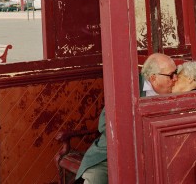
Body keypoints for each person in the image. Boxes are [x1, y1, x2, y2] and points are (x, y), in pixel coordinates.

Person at [76, 52, 178, 184]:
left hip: (156, 155)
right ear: (153, 78)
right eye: (171, 75)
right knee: (96, 178)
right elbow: (105, 124)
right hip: (116, 153)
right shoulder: (127, 86)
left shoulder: (177, 87)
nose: (175, 78)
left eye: (176, 72)